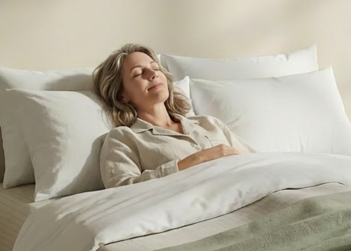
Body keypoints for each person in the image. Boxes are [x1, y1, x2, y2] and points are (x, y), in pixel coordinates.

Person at [94, 43, 253, 188]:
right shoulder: (122, 138)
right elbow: (121, 190)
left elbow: (256, 161)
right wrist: (196, 160)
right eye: (139, 73)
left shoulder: (208, 123)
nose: (153, 74)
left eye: (155, 68)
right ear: (122, 95)